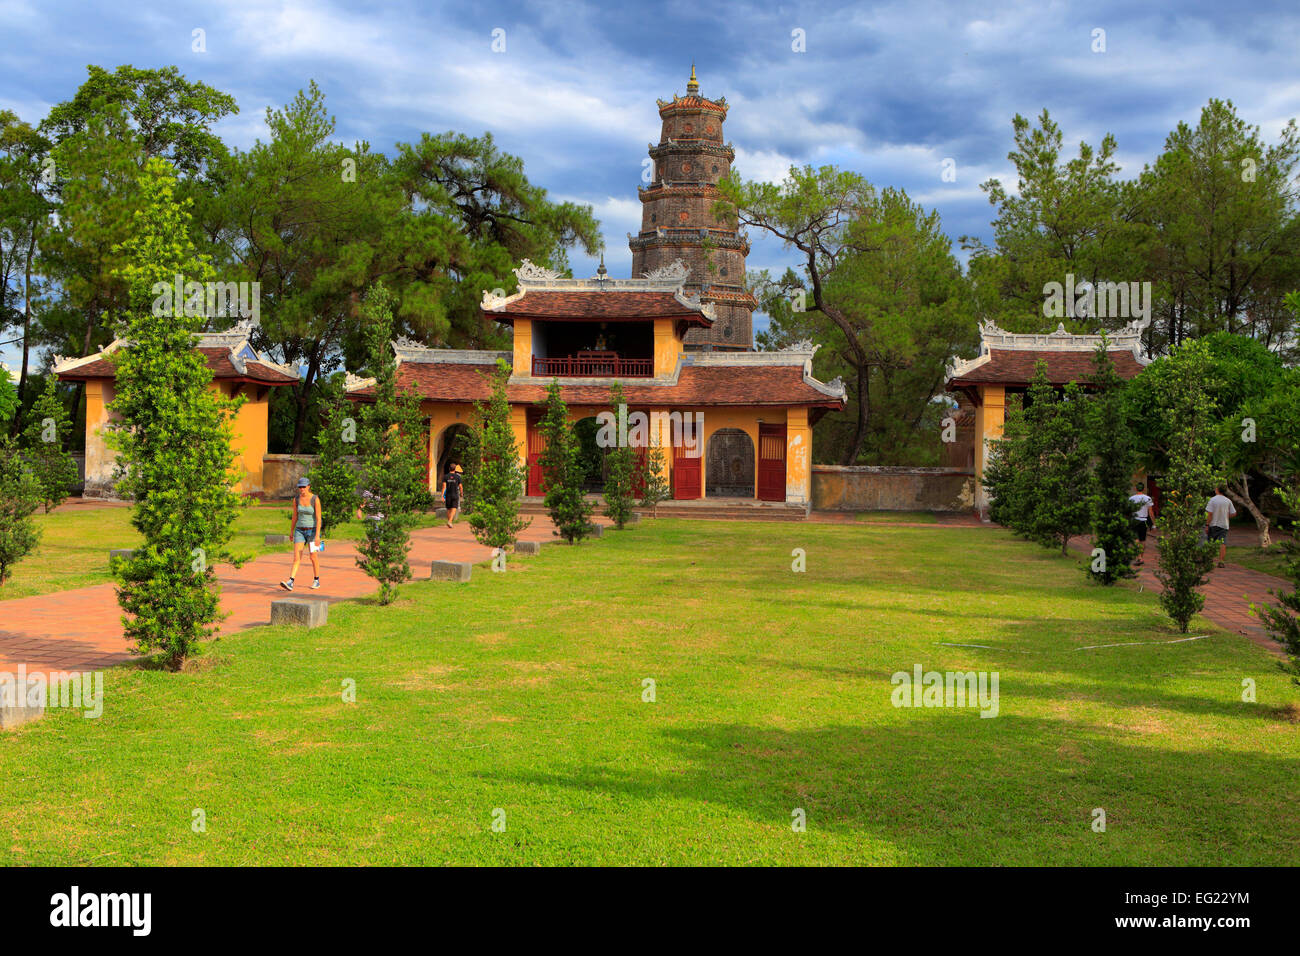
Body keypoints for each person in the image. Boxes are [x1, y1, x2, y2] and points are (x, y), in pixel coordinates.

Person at [281, 476, 322, 591]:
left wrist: (318, 535)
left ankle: (316, 580)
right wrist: (291, 531)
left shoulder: (315, 499)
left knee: (313, 556)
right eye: (300, 487)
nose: (302, 489)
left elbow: (319, 518)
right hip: (299, 530)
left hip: (313, 531)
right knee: (296, 558)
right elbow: (295, 516)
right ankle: (291, 581)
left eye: (304, 487)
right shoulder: (296, 499)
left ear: (309, 487)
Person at [1205, 484, 1237, 568]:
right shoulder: (1228, 501)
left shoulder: (1212, 500)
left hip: (1213, 524)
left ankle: (1209, 560)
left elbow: (1210, 514)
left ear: (1217, 490)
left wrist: (1207, 525)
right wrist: (1226, 516)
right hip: (1224, 525)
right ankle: (1221, 561)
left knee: (1210, 542)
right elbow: (1234, 513)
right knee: (1222, 543)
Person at [1128, 481, 1156, 565]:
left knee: (1136, 539)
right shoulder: (1148, 498)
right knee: (1143, 540)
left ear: (1136, 488)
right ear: (1144, 489)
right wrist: (1154, 524)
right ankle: (1140, 557)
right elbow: (1151, 512)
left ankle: (1138, 557)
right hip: (1143, 521)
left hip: (1135, 520)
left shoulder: (1131, 498)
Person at [444, 463, 464, 528]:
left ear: (449, 468)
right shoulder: (458, 477)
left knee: (448, 508)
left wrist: (442, 495)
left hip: (448, 494)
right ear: (455, 469)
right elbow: (461, 486)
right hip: (455, 494)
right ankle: (450, 521)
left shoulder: (446, 476)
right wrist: (461, 493)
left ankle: (449, 521)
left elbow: (443, 487)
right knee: (454, 508)